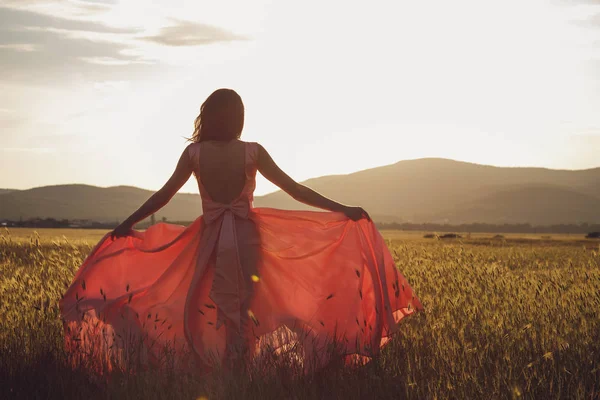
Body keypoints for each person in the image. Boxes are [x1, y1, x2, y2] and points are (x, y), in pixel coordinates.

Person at [59, 88, 422, 374]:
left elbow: (163, 197)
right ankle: (238, 366)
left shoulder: (195, 154)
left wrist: (128, 223)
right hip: (249, 238)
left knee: (204, 303)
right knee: (245, 303)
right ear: (238, 119)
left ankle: (222, 366)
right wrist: (342, 209)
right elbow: (296, 190)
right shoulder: (250, 151)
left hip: (212, 240)